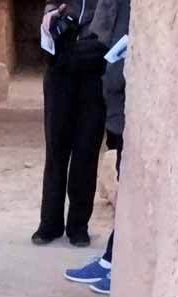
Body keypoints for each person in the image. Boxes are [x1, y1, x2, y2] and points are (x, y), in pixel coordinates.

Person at [65, 0, 129, 293]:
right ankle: (112, 259)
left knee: (130, 183)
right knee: (124, 178)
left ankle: (117, 262)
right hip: (116, 95)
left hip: (124, 95)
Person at [33, 0, 108, 247]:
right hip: (60, 71)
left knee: (86, 151)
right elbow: (51, 6)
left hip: (95, 74)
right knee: (56, 148)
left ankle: (78, 225)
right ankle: (49, 224)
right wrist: (50, 13)